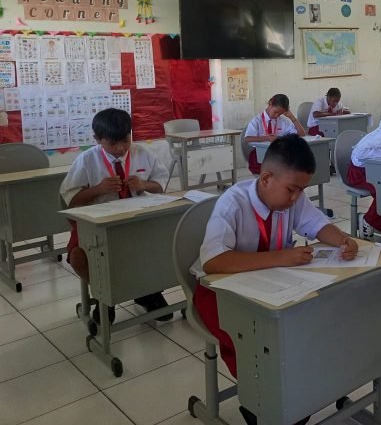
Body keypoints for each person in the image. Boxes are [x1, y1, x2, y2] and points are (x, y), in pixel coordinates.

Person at [191, 135, 359, 425]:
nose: (296, 198)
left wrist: (343, 240)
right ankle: (258, 397)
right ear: (266, 178)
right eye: (292, 190)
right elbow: (214, 261)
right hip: (220, 292)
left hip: (270, 286)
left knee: (306, 328)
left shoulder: (292, 198)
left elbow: (319, 225)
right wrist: (282, 257)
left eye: (301, 190)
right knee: (254, 346)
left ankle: (294, 389)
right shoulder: (233, 204)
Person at [60, 108, 172, 325]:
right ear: (98, 139)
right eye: (113, 144)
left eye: (125, 140)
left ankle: (148, 290)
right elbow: (70, 202)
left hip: (139, 219)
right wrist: (97, 189)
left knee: (165, 245)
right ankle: (104, 296)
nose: (121, 148)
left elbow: (160, 186)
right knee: (77, 257)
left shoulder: (143, 154)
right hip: (98, 225)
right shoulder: (86, 160)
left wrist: (144, 184)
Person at [244, 94, 305, 175]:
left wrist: (291, 117)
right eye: (276, 112)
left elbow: (301, 133)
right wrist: (267, 138)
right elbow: (247, 139)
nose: (277, 116)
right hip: (261, 155)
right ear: (270, 104)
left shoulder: (283, 121)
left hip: (279, 154)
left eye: (280, 114)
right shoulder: (257, 121)